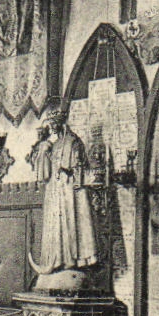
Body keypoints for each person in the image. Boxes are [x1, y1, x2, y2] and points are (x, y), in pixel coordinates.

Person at [27, 101, 99, 290]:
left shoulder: (73, 142)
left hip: (68, 191)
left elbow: (80, 169)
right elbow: (43, 174)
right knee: (55, 225)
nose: (52, 128)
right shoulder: (54, 144)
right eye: (51, 125)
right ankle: (56, 259)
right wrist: (43, 151)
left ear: (61, 123)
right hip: (54, 190)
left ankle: (69, 260)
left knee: (69, 222)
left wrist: (70, 171)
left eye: (55, 124)